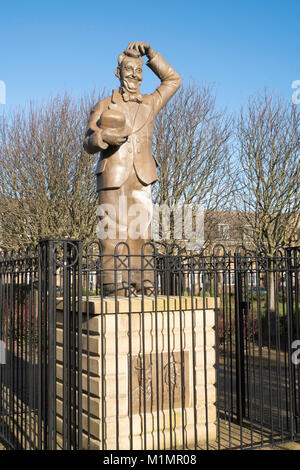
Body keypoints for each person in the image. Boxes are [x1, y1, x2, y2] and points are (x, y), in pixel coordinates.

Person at [84, 41, 181, 295]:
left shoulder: (149, 103)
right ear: (118, 72)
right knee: (112, 231)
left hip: (142, 175)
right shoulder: (104, 104)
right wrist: (104, 138)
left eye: (138, 70)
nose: (134, 75)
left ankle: (145, 284)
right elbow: (88, 141)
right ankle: (114, 286)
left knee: (142, 233)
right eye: (128, 69)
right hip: (112, 175)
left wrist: (152, 55)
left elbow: (173, 80)